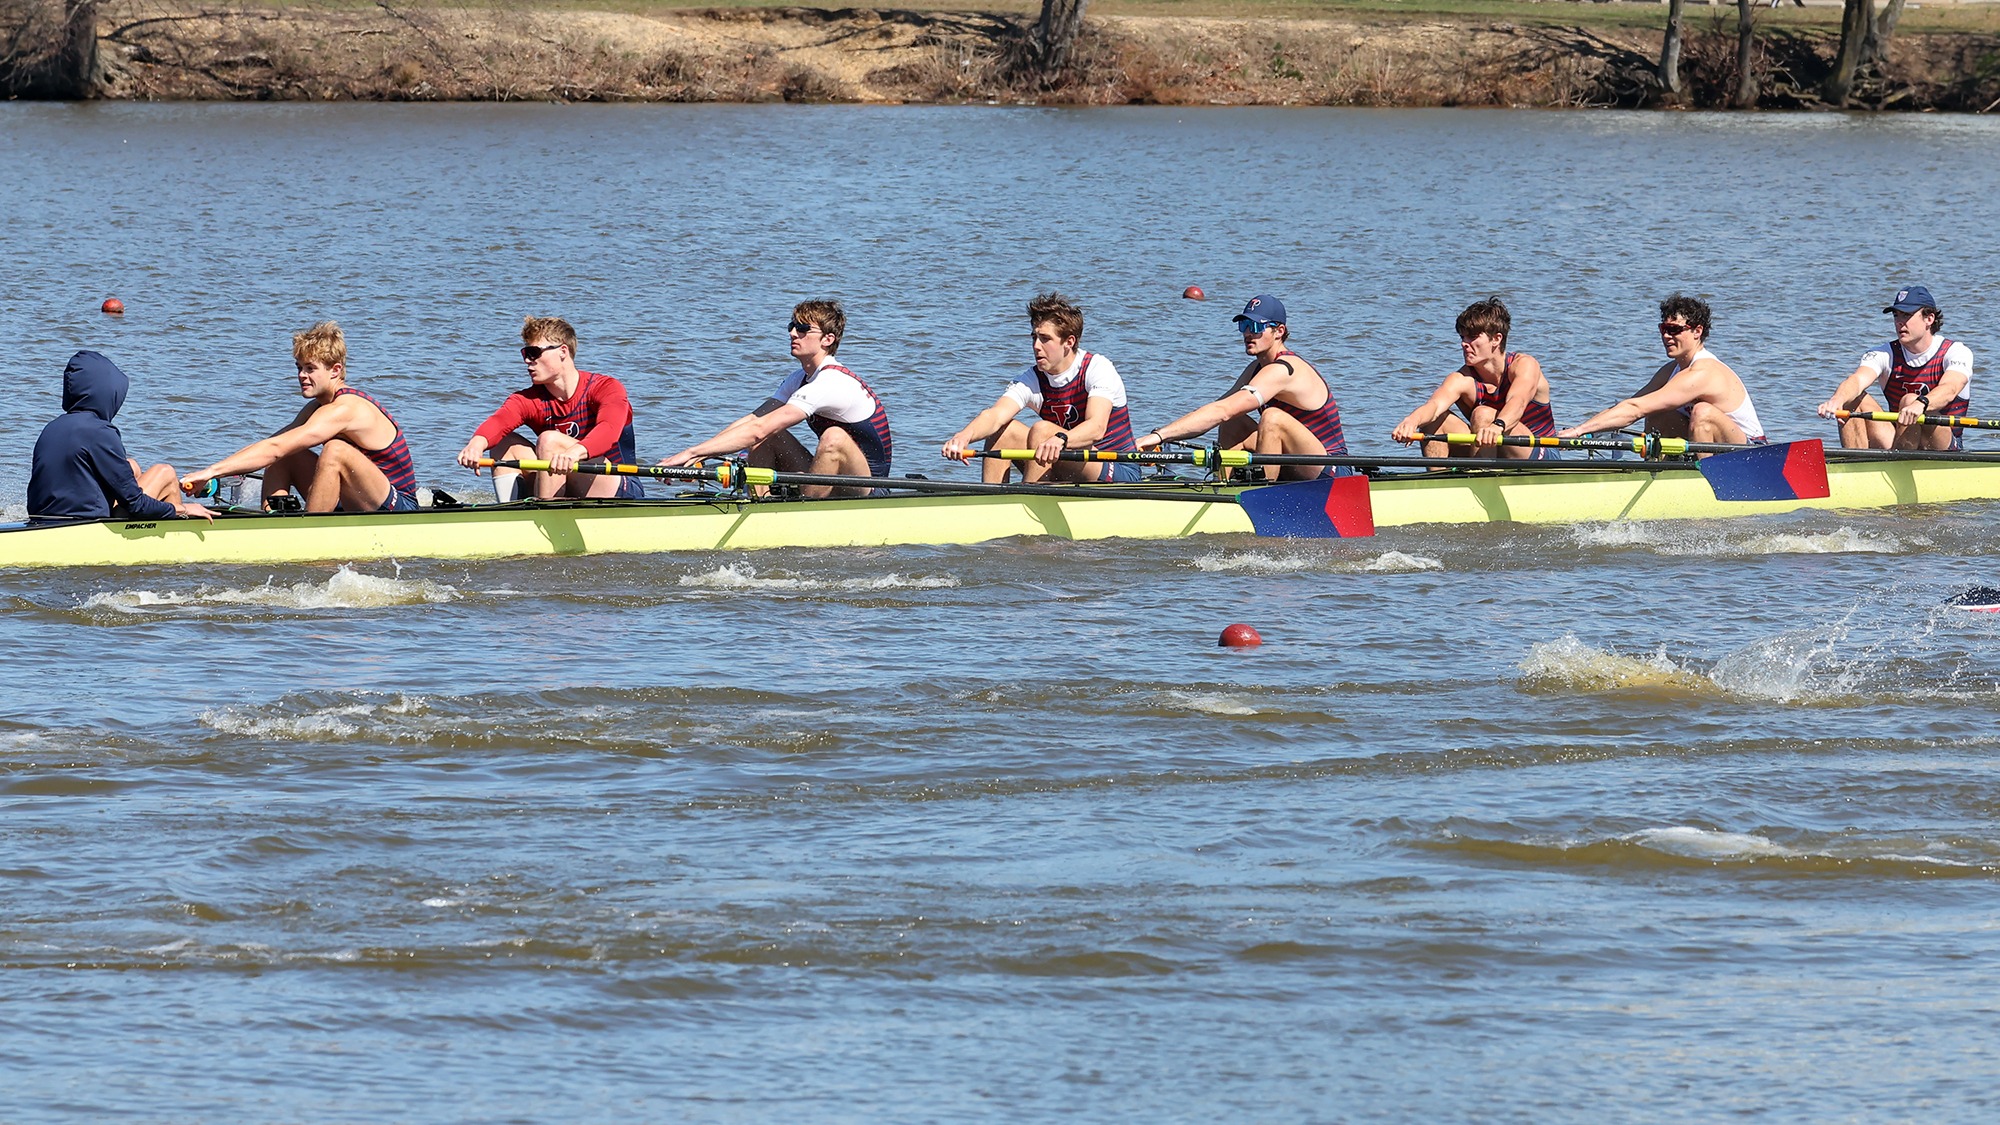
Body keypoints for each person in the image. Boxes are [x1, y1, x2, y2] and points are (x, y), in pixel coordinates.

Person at [658, 300, 891, 499]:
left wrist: (690, 453)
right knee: (768, 433)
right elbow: (753, 421)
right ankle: (759, 504)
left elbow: (757, 429)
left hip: (868, 486)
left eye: (802, 328)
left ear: (827, 339)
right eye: (792, 326)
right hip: (831, 477)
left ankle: (805, 515)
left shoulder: (831, 382)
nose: (792, 333)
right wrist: (700, 457)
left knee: (834, 437)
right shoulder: (799, 378)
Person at [182, 322, 420, 512]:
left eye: (310, 368)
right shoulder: (317, 407)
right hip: (357, 498)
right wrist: (217, 474)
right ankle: (274, 520)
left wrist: (210, 471)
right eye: (299, 367)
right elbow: (273, 445)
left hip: (398, 506)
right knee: (286, 454)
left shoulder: (346, 409)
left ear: (335, 370)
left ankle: (309, 533)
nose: (302, 376)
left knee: (335, 449)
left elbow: (274, 447)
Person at [1134, 294, 1346, 481]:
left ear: (1279, 331)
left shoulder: (1284, 369)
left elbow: (1222, 411)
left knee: (1272, 417)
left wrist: (1158, 436)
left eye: (1255, 327)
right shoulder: (1256, 368)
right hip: (1296, 462)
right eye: (1244, 326)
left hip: (1333, 471)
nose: (1247, 334)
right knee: (1232, 420)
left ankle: (1264, 493)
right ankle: (1222, 486)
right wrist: (1162, 437)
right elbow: (1219, 410)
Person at [941, 292, 1141, 484]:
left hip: (1116, 468)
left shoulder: (1097, 368)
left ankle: (1031, 499)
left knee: (1042, 430)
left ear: (1069, 342)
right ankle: (991, 502)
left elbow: (1096, 427)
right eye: (1034, 337)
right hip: (1065, 457)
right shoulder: (1033, 378)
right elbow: (994, 415)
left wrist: (1061, 439)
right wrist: (963, 436)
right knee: (1004, 431)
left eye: (1045, 339)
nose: (1036, 346)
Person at [456, 317, 641, 501]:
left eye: (534, 352)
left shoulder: (606, 388)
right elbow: (499, 421)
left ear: (562, 351)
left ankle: (545, 515)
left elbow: (608, 431)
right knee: (504, 443)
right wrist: (476, 445)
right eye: (525, 354)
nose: (528, 361)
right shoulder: (529, 399)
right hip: (561, 475)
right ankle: (513, 515)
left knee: (550, 441)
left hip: (618, 486)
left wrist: (574, 453)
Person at [1558, 294, 1767, 449]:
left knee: (1702, 412)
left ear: (1697, 331)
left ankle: (1702, 480)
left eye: (1674, 330)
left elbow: (1634, 410)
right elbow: (1631, 404)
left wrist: (1579, 431)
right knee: (1657, 410)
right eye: (1663, 329)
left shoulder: (1704, 371)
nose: (1667, 336)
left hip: (1751, 452)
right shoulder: (1670, 371)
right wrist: (1583, 431)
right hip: (1716, 447)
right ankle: (1663, 473)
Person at [28, 350, 214, 524]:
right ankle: (176, 538)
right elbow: (137, 504)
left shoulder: (52, 427)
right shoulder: (100, 431)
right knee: (165, 472)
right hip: (83, 525)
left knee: (131, 466)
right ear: (107, 394)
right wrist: (182, 509)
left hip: (45, 519)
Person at [1390, 297, 1558, 460]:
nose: (1464, 343)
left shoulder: (1524, 365)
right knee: (1433, 420)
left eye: (1472, 337)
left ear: (1496, 339)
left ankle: (1482, 477)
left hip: (1540, 453)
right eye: (1463, 337)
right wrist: (1412, 421)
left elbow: (1518, 401)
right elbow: (1433, 406)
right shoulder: (1462, 379)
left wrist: (1497, 425)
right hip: (1489, 446)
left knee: (1483, 413)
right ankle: (1437, 482)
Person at [1815, 285, 1974, 451]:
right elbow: (1857, 380)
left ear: (1929, 319)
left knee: (1910, 400)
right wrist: (1837, 400)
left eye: (1906, 315)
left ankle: (1898, 463)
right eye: (1896, 315)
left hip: (1943, 445)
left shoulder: (1956, 352)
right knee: (1852, 398)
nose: (1899, 322)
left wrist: (1922, 403)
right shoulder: (1883, 353)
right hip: (1899, 439)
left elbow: (1950, 388)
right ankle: (1856, 466)